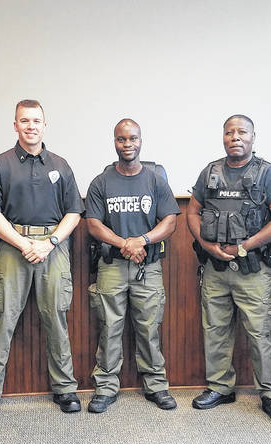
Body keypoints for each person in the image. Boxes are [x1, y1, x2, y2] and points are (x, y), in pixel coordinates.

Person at [0, 99, 83, 423]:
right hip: (12, 246)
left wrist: (48, 243)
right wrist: (24, 243)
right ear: (15, 125)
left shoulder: (61, 165)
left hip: (53, 246)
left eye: (36, 120)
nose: (31, 126)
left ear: (44, 125)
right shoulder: (0, 164)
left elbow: (74, 212)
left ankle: (65, 389)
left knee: (57, 319)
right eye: (25, 121)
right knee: (2, 319)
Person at [186, 114, 271, 426]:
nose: (235, 137)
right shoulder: (210, 172)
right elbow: (193, 212)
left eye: (242, 132)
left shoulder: (267, 174)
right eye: (229, 132)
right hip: (216, 266)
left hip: (252, 269)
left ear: (253, 137)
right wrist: (205, 244)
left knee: (260, 332)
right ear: (223, 137)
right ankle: (220, 387)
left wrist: (245, 245)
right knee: (216, 329)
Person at [85, 118, 180, 413]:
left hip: (147, 267)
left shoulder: (155, 180)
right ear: (114, 142)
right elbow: (93, 224)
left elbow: (171, 219)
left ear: (141, 140)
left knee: (149, 327)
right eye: (122, 139)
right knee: (109, 327)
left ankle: (156, 385)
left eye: (133, 139)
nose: (128, 144)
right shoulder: (101, 182)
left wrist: (142, 240)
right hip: (112, 265)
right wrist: (124, 243)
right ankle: (106, 387)